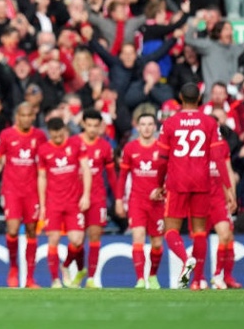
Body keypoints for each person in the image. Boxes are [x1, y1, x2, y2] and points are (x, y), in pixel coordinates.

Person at [153, 83, 235, 290]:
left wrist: (158, 183)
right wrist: (228, 188)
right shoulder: (209, 123)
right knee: (200, 232)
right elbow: (218, 158)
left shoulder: (170, 123)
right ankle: (197, 281)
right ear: (199, 99)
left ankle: (185, 258)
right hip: (202, 182)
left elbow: (162, 159)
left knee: (171, 229)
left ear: (180, 97)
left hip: (177, 182)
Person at [0, 103, 47, 288]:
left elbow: (45, 165)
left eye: (30, 115)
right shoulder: (6, 135)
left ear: (33, 117)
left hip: (32, 191)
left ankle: (29, 278)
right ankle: (13, 268)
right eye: (23, 115)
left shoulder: (40, 136)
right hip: (11, 190)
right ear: (17, 116)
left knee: (31, 231)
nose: (26, 119)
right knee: (12, 229)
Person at [66, 109, 118, 288]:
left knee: (95, 235)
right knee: (77, 241)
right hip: (74, 198)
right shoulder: (72, 143)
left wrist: (118, 198)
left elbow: (111, 175)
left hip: (97, 198)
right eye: (89, 125)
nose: (92, 129)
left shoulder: (105, 147)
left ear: (101, 126)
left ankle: (91, 279)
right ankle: (78, 268)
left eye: (96, 125)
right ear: (82, 124)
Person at [37, 117, 91, 289]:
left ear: (64, 129)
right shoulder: (44, 150)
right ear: (49, 132)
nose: (58, 135)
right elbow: (42, 177)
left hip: (74, 202)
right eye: (54, 132)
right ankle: (55, 280)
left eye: (60, 131)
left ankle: (65, 265)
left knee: (76, 241)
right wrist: (43, 205)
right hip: (54, 203)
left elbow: (87, 170)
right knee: (53, 239)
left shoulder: (75, 146)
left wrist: (86, 195)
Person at [116, 113, 166, 290]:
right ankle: (140, 280)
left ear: (155, 127)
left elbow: (171, 175)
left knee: (157, 244)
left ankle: (152, 276)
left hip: (158, 203)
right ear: (137, 127)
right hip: (137, 201)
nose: (146, 127)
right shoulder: (130, 148)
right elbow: (122, 177)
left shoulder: (162, 148)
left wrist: (162, 189)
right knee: (138, 237)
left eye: (149, 124)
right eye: (143, 124)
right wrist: (118, 200)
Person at [208, 130, 240, 289]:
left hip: (219, 198)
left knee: (227, 235)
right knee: (198, 238)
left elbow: (228, 170)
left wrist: (231, 193)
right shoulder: (195, 147)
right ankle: (197, 278)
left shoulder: (222, 146)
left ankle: (222, 276)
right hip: (200, 198)